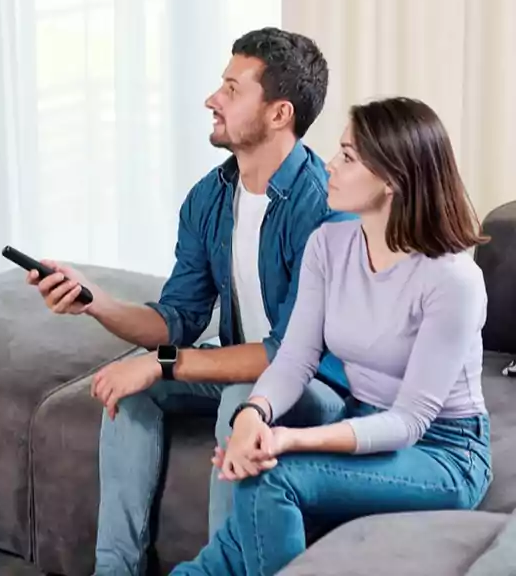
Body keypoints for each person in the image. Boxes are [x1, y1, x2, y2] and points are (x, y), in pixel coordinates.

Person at [28, 28, 352, 575]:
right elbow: (176, 320)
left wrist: (161, 365)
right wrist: (96, 302)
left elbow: (287, 355)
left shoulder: (324, 210)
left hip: (318, 386)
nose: (212, 99)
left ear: (279, 114)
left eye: (231, 88)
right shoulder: (210, 198)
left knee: (239, 400)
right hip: (236, 363)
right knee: (128, 394)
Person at [175, 96, 493, 576]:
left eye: (348, 156)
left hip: (443, 451)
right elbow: (294, 360)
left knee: (269, 479)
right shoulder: (329, 243)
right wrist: (251, 416)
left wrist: (288, 441)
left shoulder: (452, 280)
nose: (329, 165)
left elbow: (409, 422)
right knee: (213, 563)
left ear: (392, 179)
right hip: (360, 417)